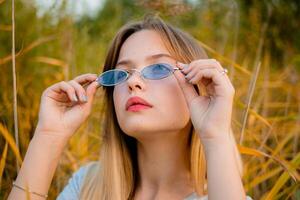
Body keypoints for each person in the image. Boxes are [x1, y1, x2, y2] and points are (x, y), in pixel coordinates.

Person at [8, 14, 253, 200]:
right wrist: (48, 136)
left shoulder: (224, 193)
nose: (133, 82)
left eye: (158, 68)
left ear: (199, 84)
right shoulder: (87, 186)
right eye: (122, 73)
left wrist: (215, 135)